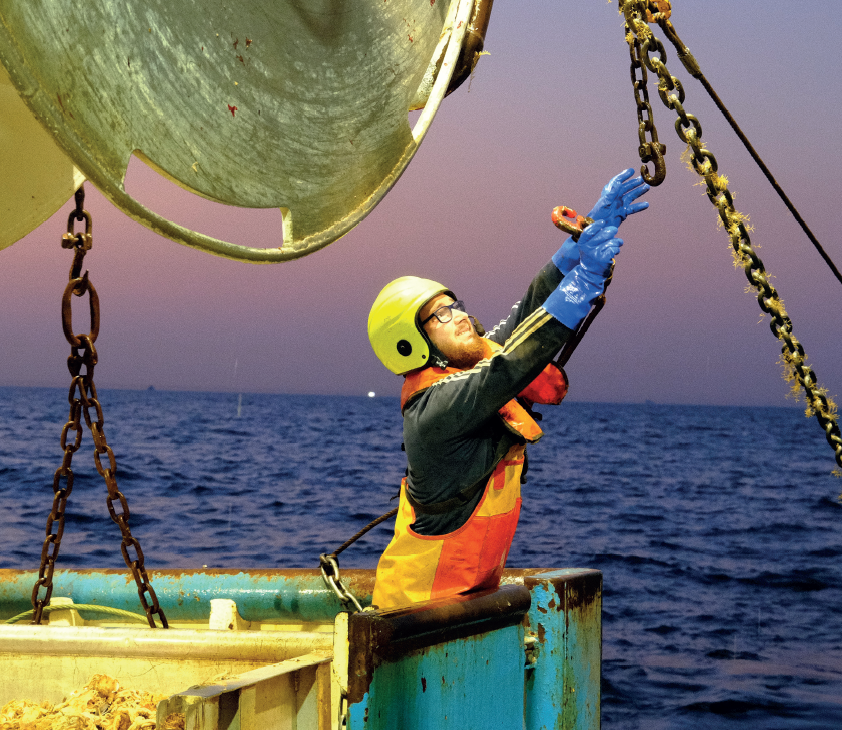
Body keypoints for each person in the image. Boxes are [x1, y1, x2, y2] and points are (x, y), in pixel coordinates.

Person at [366, 169, 649, 610]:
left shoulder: (468, 367)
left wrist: (581, 240)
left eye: (455, 306)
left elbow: (524, 314)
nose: (460, 316)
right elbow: (510, 365)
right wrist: (584, 283)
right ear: (411, 344)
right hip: (410, 616)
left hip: (467, 610)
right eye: (439, 316)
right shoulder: (435, 410)